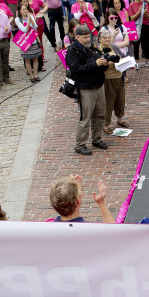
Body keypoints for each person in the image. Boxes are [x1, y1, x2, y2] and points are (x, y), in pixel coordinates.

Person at [66, 25, 109, 156]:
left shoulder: (93, 48)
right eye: (84, 37)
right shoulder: (72, 51)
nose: (87, 39)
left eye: (88, 37)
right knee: (86, 117)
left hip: (99, 85)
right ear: (77, 37)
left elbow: (101, 66)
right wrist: (95, 64)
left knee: (100, 115)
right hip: (85, 88)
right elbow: (77, 70)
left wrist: (104, 65)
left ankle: (96, 139)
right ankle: (80, 145)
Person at [47, 174, 114, 222]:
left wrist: (70, 185)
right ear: (77, 200)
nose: (81, 190)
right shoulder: (89, 229)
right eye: (80, 189)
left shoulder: (48, 226)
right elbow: (112, 234)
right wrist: (101, 202)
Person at [98, 27, 128, 134]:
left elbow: (122, 56)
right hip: (108, 79)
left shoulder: (114, 47)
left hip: (119, 77)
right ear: (100, 39)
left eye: (108, 37)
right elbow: (100, 65)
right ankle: (106, 124)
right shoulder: (99, 50)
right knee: (109, 102)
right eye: (104, 38)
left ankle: (120, 119)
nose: (107, 40)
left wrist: (123, 61)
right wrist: (110, 62)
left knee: (120, 100)